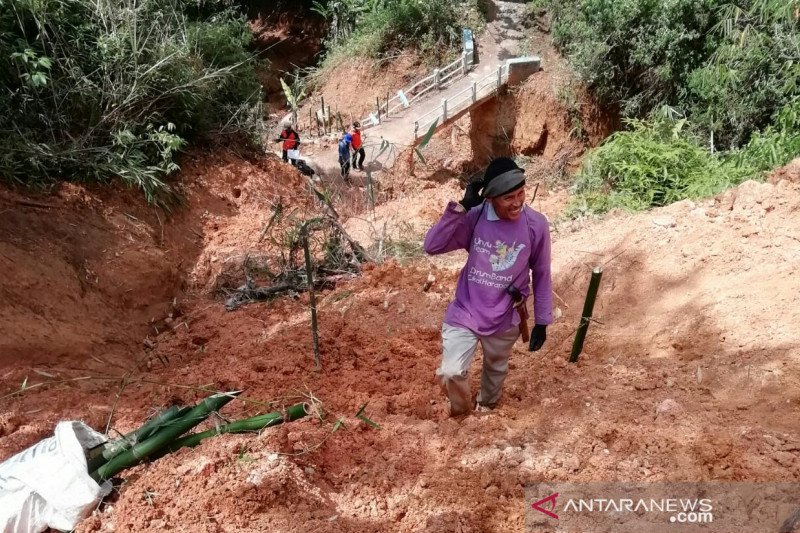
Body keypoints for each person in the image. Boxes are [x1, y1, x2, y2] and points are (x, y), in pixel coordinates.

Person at [423, 157, 553, 416]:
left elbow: (541, 273)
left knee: (495, 370)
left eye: (521, 194)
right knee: (451, 372)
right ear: (491, 198)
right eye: (508, 198)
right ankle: (461, 415)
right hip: (467, 310)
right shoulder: (475, 217)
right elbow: (432, 245)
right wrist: (460, 208)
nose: (517, 203)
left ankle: (486, 409)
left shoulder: (535, 224)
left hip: (505, 317)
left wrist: (542, 321)